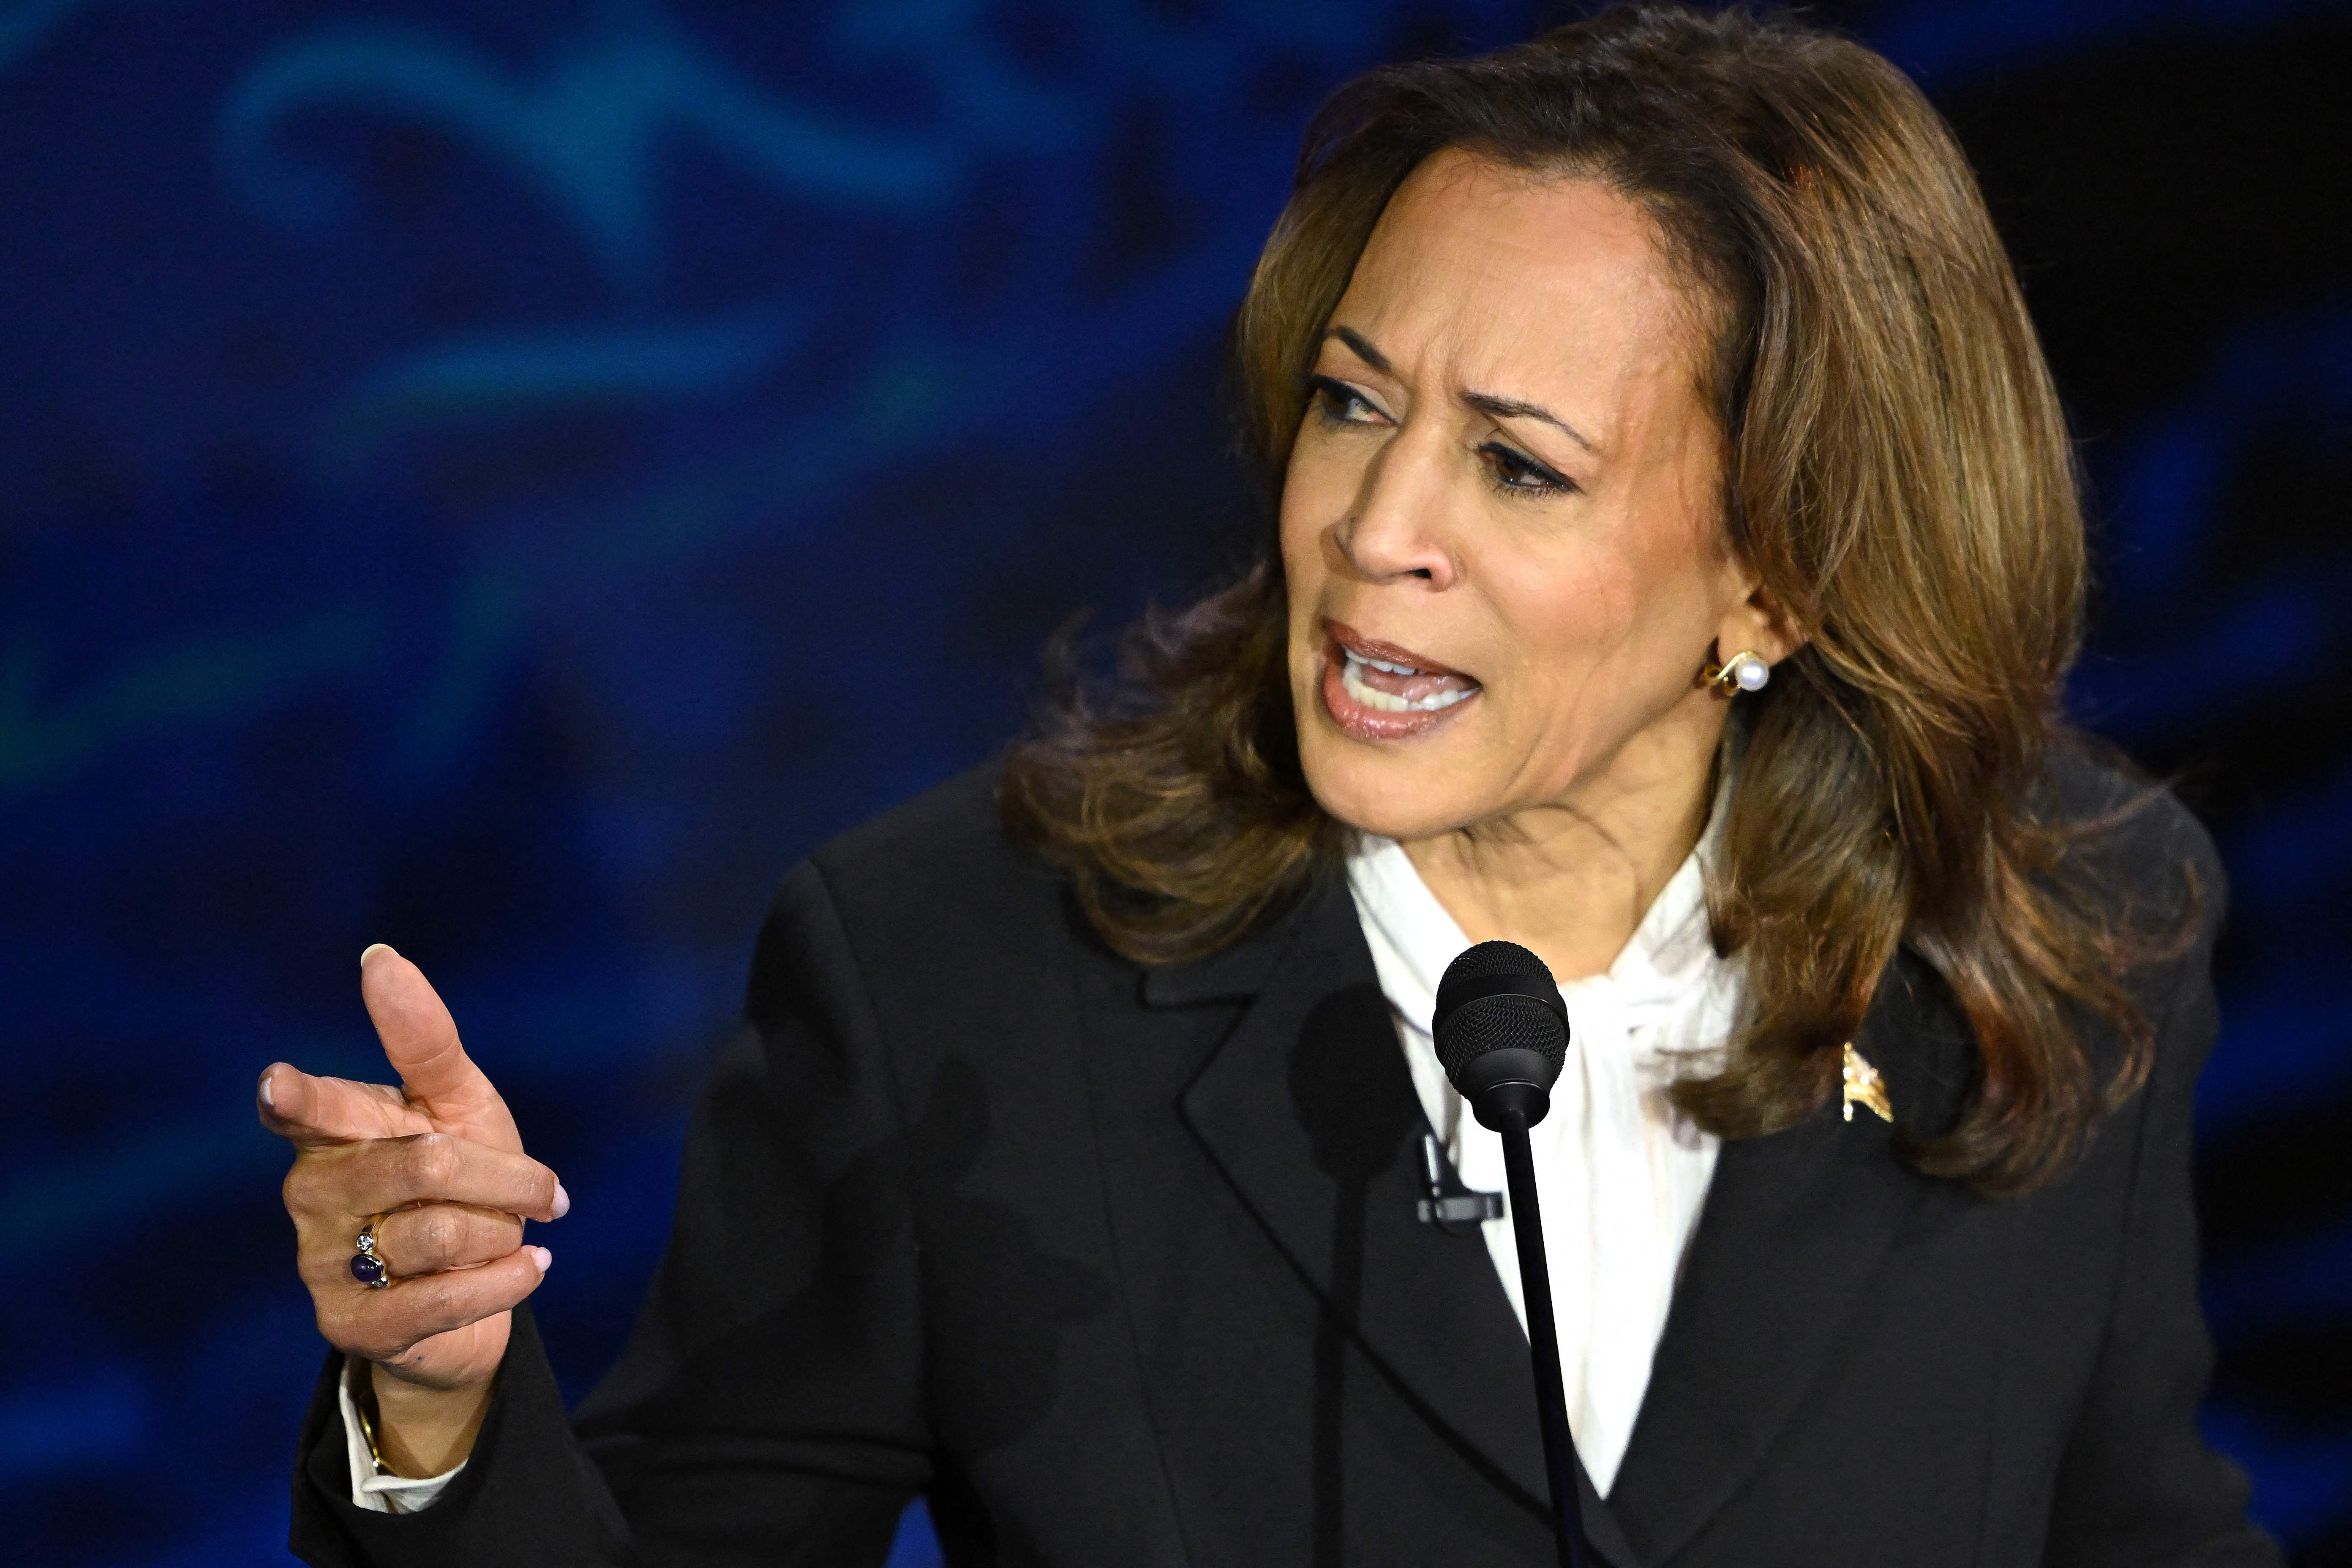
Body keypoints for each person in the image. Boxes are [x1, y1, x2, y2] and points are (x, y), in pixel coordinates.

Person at [258, 6, 2280, 1564]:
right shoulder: (955, 977)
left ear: (1783, 569)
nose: (1372, 523)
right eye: (1351, 402)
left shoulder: (2057, 931)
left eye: (1518, 461)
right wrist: (434, 1412)